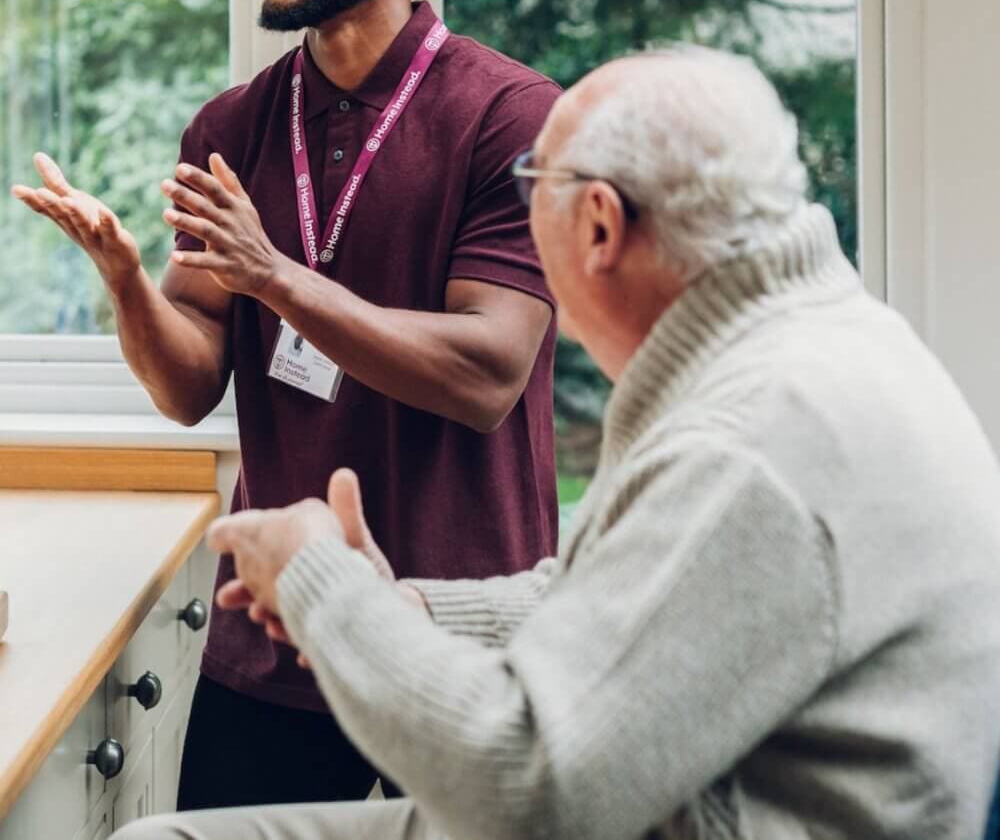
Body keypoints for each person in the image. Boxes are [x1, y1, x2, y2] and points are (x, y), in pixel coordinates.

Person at [119, 46, 1000, 840]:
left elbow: (529, 793)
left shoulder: (749, 440)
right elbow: (651, 599)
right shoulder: (824, 346)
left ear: (601, 226)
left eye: (534, 184)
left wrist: (324, 586)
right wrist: (420, 611)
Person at [12, 0, 561, 810]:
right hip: (270, 644)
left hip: (455, 640)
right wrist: (130, 283)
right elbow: (187, 388)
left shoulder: (511, 114)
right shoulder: (231, 128)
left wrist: (274, 275)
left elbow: (487, 376)